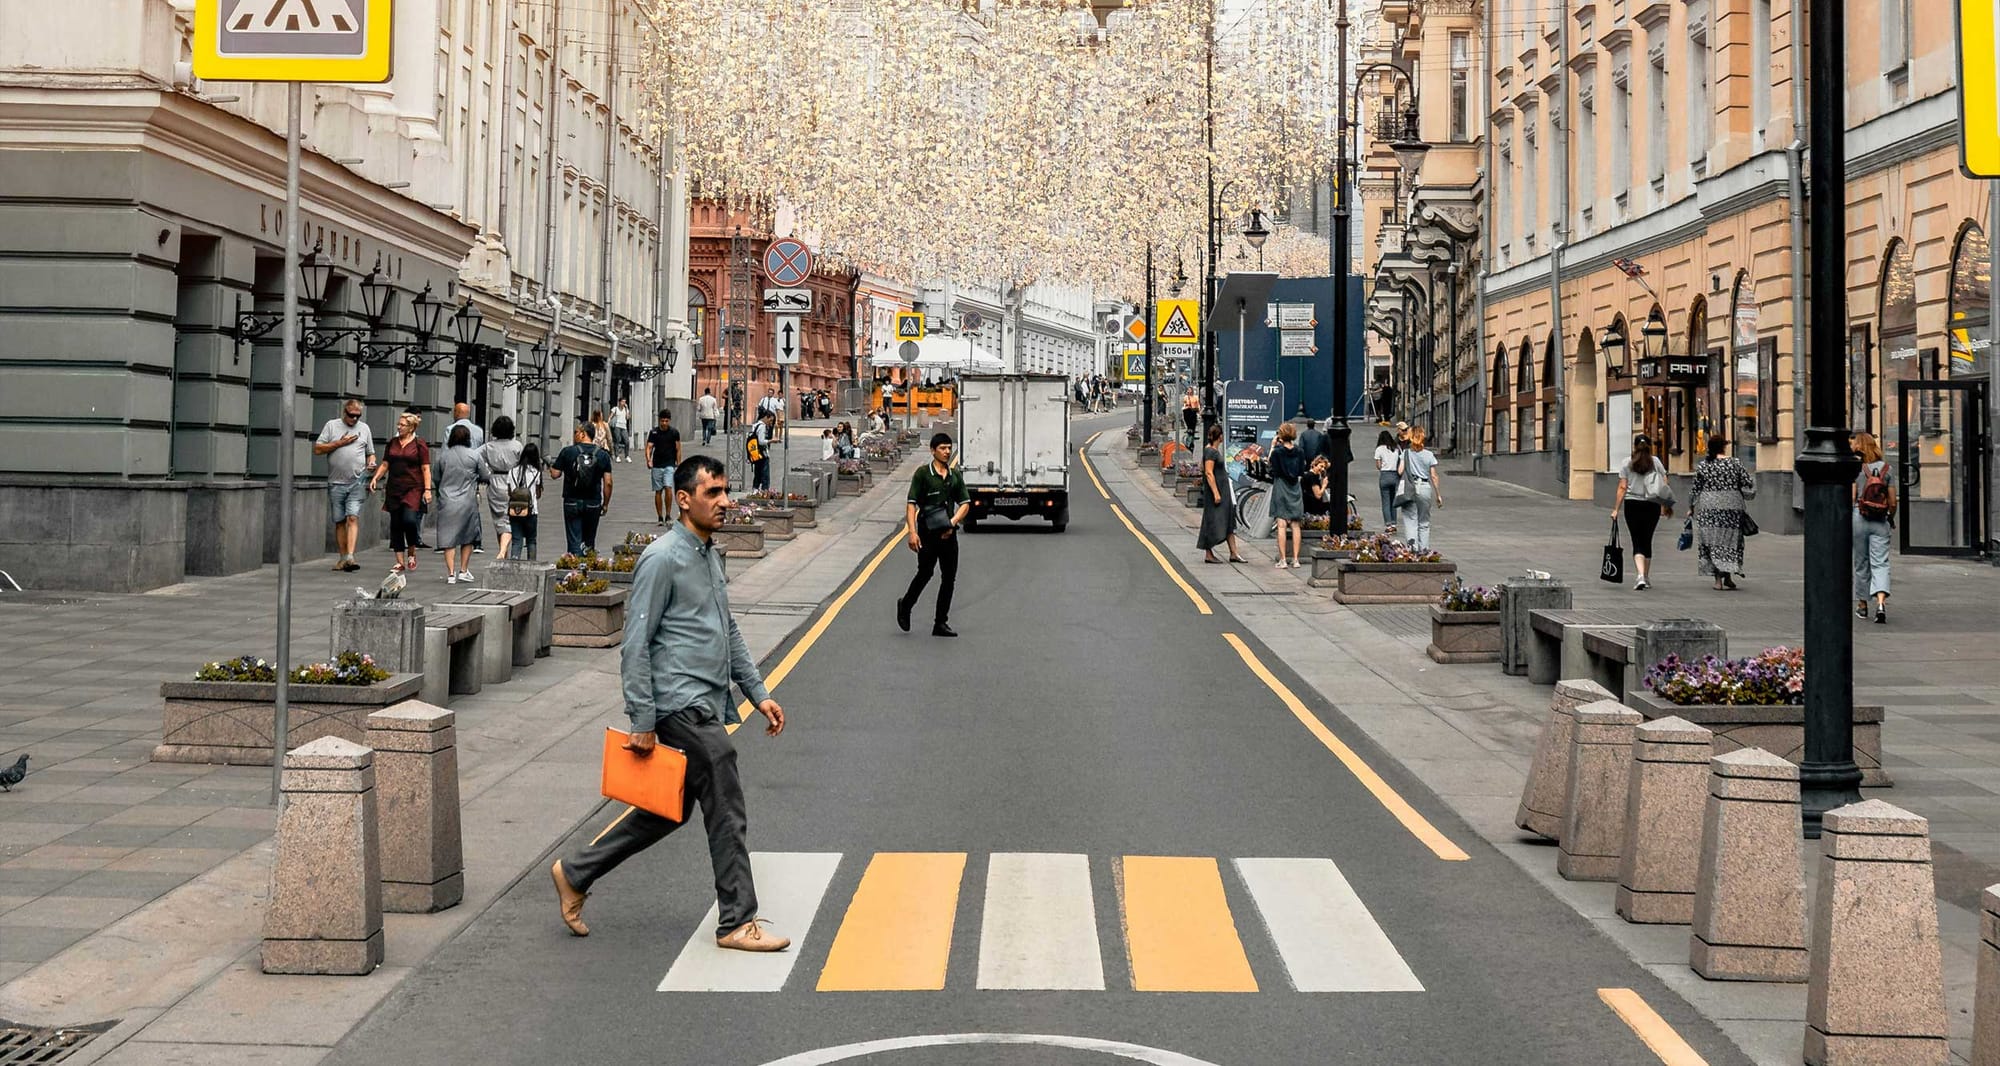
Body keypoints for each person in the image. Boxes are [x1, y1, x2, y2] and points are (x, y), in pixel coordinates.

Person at [549, 454, 791, 953]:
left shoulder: (708, 554)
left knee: (669, 808)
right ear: (684, 500)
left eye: (725, 491)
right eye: (713, 493)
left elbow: (728, 631)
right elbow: (635, 643)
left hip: (706, 700)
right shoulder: (662, 558)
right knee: (724, 787)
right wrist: (642, 719)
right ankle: (736, 921)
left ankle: (575, 872)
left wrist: (759, 694)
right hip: (677, 703)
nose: (725, 501)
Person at [896, 432, 970, 637]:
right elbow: (911, 505)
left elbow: (965, 504)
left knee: (949, 578)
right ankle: (906, 604)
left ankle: (940, 623)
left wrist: (952, 524)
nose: (947, 452)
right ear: (932, 451)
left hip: (949, 535)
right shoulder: (923, 474)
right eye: (942, 448)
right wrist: (912, 533)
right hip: (927, 534)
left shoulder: (955, 476)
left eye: (949, 448)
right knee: (925, 573)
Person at [313, 399, 376, 573]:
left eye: (358, 416)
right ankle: (342, 558)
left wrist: (371, 463)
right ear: (344, 412)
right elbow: (317, 449)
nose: (354, 419)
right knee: (339, 521)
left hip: (357, 481)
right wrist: (340, 443)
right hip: (336, 483)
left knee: (353, 517)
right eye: (351, 415)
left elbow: (370, 453)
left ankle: (350, 556)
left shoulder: (365, 429)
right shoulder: (331, 426)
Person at [367, 412, 431, 573]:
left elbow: (425, 468)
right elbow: (385, 463)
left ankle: (411, 551)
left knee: (409, 520)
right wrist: (376, 478)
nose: (399, 427)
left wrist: (427, 490)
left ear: (411, 428)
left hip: (413, 487)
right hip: (394, 487)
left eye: (402, 425)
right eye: (398, 424)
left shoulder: (419, 444)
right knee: (395, 523)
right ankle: (399, 561)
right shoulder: (393, 443)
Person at [1690, 435, 1756, 590]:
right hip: (1732, 507)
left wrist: (1690, 507)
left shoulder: (1704, 466)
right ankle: (1728, 575)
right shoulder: (1735, 463)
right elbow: (1748, 483)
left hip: (1709, 507)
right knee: (1730, 542)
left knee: (1712, 542)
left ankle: (1718, 580)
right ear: (1724, 447)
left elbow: (1695, 489)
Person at [1611, 434, 1675, 591]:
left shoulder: (1627, 463)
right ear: (1649, 446)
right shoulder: (1656, 462)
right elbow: (1664, 482)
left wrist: (1616, 509)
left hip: (1633, 505)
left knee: (1637, 540)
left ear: (1634, 446)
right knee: (1647, 539)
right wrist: (1663, 505)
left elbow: (1622, 487)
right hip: (1652, 505)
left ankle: (1640, 575)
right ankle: (1645, 577)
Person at [434, 425, 489, 585]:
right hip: (467, 501)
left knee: (448, 537)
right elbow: (485, 475)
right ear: (467, 439)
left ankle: (451, 574)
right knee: (468, 536)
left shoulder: (442, 456)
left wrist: (441, 491)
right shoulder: (474, 456)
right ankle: (463, 570)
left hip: (447, 500)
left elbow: (436, 478)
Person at [549, 423, 614, 555]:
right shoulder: (602, 455)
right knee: (589, 542)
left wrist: (552, 465)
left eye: (576, 432)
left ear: (583, 434)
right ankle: (586, 569)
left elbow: (555, 474)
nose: (574, 435)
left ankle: (574, 571)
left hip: (572, 501)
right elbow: (608, 483)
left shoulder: (568, 452)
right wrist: (605, 504)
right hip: (593, 502)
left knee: (574, 540)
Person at [1852, 431, 1896, 624]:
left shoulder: (1856, 469)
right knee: (1881, 562)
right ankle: (1880, 604)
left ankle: (1862, 605)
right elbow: (1893, 502)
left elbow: (1852, 497)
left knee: (1861, 563)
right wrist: (1890, 517)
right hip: (1880, 520)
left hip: (1859, 517)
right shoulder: (1888, 469)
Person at [1197, 423, 1245, 564]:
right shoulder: (1211, 452)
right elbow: (1208, 472)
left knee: (1229, 519)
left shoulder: (1208, 450)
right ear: (1220, 437)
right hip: (1217, 493)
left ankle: (1234, 553)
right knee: (1212, 520)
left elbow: (1202, 466)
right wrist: (1216, 493)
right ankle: (1209, 553)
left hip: (1223, 490)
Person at [479, 416, 525, 563]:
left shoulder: (488, 447)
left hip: (495, 482)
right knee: (511, 519)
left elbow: (475, 457)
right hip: (513, 482)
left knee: (499, 519)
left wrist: (485, 473)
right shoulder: (517, 446)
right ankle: (503, 550)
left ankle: (503, 552)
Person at [1395, 426, 1442, 550]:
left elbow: (1400, 471)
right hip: (1425, 488)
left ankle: (1412, 548)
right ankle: (1424, 549)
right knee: (1424, 522)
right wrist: (1438, 495)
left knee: (1410, 519)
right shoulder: (1429, 455)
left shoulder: (1406, 453)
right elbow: (1434, 476)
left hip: (1410, 488)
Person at [1269, 422, 1307, 569]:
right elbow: (1301, 470)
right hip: (1294, 487)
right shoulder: (1299, 451)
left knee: (1281, 524)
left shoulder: (1278, 451)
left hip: (1281, 486)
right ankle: (1296, 560)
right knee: (1296, 524)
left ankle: (1283, 559)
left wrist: (1272, 447)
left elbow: (1271, 467)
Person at [504, 443, 544, 560]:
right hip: (531, 511)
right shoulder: (536, 472)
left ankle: (514, 563)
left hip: (514, 510)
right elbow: (538, 494)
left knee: (516, 540)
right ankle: (531, 565)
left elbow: (510, 492)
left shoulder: (512, 471)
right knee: (531, 540)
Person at [644, 410, 682, 525]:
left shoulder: (674, 432)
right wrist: (648, 460)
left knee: (668, 487)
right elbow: (649, 447)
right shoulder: (654, 432)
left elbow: (678, 448)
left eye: (666, 421)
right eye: (662, 421)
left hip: (669, 464)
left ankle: (668, 514)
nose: (664, 423)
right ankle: (660, 516)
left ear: (669, 421)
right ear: (659, 420)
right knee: (658, 491)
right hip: (656, 464)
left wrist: (678, 463)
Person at [1372, 430, 1400, 530]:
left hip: (1384, 475)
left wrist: (1383, 467)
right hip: (1395, 475)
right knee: (1393, 501)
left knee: (1385, 501)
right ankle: (1394, 523)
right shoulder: (1395, 448)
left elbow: (1378, 465)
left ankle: (1388, 525)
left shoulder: (1379, 449)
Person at [749, 409, 775, 491]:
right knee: (765, 476)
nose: (770, 423)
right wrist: (772, 441)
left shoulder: (755, 425)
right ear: (766, 417)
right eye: (770, 420)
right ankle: (765, 492)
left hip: (756, 454)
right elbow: (761, 441)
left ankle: (755, 490)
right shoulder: (762, 426)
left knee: (758, 474)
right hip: (762, 454)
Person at [610, 399, 631, 463]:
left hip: (624, 427)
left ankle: (627, 456)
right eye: (622, 402)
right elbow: (611, 416)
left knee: (627, 441)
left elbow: (627, 418)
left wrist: (627, 409)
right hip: (617, 426)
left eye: (625, 402)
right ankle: (617, 456)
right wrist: (608, 423)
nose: (623, 403)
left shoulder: (626, 409)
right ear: (619, 402)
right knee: (617, 440)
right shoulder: (615, 409)